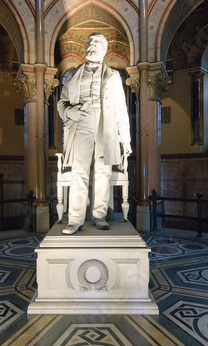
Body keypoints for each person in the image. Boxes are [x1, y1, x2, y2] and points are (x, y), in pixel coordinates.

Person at [57, 32, 132, 235]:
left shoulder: (113, 76)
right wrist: (70, 111)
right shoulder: (72, 74)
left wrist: (125, 138)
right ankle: (75, 219)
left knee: (103, 171)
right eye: (90, 41)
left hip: (105, 124)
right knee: (79, 171)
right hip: (81, 124)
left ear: (104, 49)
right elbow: (61, 104)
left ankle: (99, 215)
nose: (92, 44)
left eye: (97, 42)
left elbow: (120, 109)